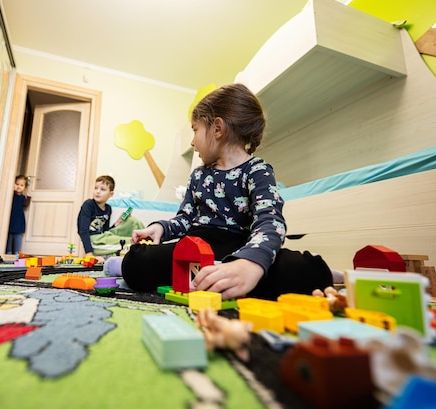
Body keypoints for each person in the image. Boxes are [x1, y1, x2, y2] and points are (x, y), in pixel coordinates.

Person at [121, 83, 332, 300]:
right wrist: (160, 229)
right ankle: (222, 280)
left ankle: (234, 276)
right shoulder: (198, 175)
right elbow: (185, 218)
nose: (193, 142)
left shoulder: (258, 171)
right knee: (136, 261)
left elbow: (270, 223)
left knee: (312, 270)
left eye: (195, 130)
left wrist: (250, 263)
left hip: (240, 249)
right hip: (196, 248)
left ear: (218, 129)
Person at [77, 175, 144, 261]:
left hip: (104, 236)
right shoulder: (88, 205)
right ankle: (143, 246)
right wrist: (89, 253)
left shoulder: (108, 208)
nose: (98, 192)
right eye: (96, 188)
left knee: (132, 221)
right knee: (130, 241)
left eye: (102, 189)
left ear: (111, 194)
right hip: (94, 241)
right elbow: (82, 230)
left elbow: (106, 231)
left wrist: (119, 222)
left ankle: (147, 239)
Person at [6, 175, 31, 255]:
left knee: (17, 235)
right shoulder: (11, 195)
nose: (19, 187)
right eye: (17, 184)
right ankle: (8, 251)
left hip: (18, 217)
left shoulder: (22, 197)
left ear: (24, 187)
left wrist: (29, 197)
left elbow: (25, 204)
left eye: (21, 185)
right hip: (10, 216)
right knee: (9, 235)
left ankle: (17, 252)